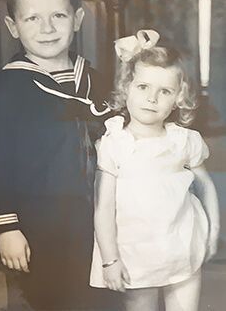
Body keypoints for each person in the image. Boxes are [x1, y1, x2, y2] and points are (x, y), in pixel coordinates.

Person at [0, 0, 111, 310]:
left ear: (78, 20)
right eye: (32, 18)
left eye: (59, 16)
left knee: (98, 295)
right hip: (38, 221)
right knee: (49, 297)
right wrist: (8, 227)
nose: (47, 28)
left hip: (93, 217)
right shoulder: (7, 88)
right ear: (13, 26)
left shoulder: (94, 81)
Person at [89, 30, 220, 311]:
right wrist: (110, 260)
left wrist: (212, 232)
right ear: (127, 88)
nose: (152, 98)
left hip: (182, 246)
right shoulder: (115, 143)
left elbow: (206, 186)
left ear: (177, 99)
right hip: (135, 252)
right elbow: (103, 208)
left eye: (165, 91)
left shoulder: (183, 141)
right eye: (143, 87)